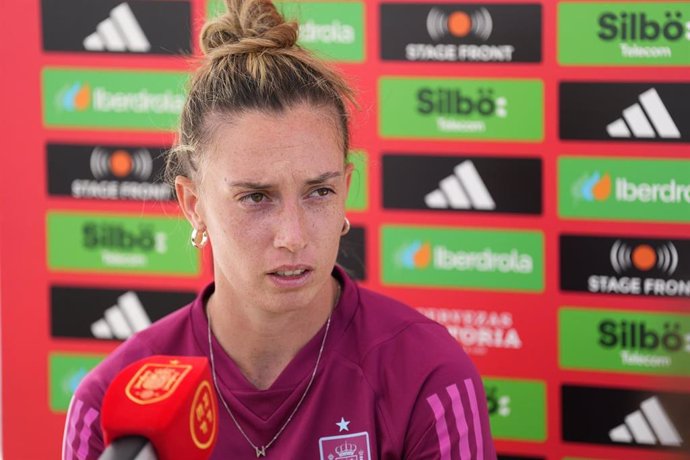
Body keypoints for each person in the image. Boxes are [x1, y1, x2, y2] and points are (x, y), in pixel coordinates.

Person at [62, 0, 496, 458]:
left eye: (319, 193)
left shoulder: (429, 376)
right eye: (256, 198)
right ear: (193, 205)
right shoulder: (109, 404)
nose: (293, 235)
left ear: (346, 189)